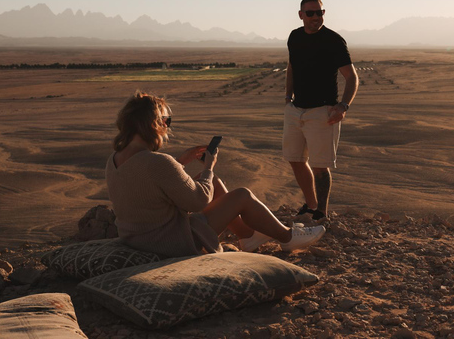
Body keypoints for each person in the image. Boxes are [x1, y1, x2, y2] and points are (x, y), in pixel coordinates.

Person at [106, 91, 325, 258]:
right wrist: (209, 167)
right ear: (154, 125)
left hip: (140, 238)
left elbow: (146, 188)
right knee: (242, 195)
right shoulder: (157, 162)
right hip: (171, 243)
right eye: (166, 121)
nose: (167, 127)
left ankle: (247, 236)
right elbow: (198, 201)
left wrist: (181, 162)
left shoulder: (115, 160)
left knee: (215, 183)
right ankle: (288, 237)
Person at [283, 0, 359, 223]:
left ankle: (322, 213)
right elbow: (291, 67)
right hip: (296, 110)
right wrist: (288, 97)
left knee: (320, 165)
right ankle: (311, 205)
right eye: (311, 13)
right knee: (295, 159)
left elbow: (352, 77)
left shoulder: (334, 41)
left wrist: (343, 106)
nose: (316, 17)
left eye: (320, 12)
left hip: (322, 111)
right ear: (301, 15)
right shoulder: (295, 37)